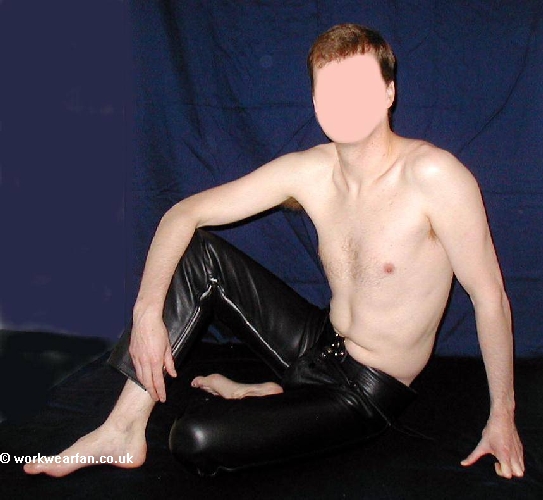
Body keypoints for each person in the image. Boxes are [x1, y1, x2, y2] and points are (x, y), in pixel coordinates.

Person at [24, 23, 524, 479]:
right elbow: (184, 214)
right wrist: (147, 311)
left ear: (389, 92)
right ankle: (121, 429)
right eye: (331, 90)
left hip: (367, 391)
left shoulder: (435, 178)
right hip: (318, 343)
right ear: (315, 101)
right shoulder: (310, 171)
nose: (344, 103)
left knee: (194, 439)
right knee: (199, 253)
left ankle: (276, 395)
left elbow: (490, 300)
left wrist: (502, 418)